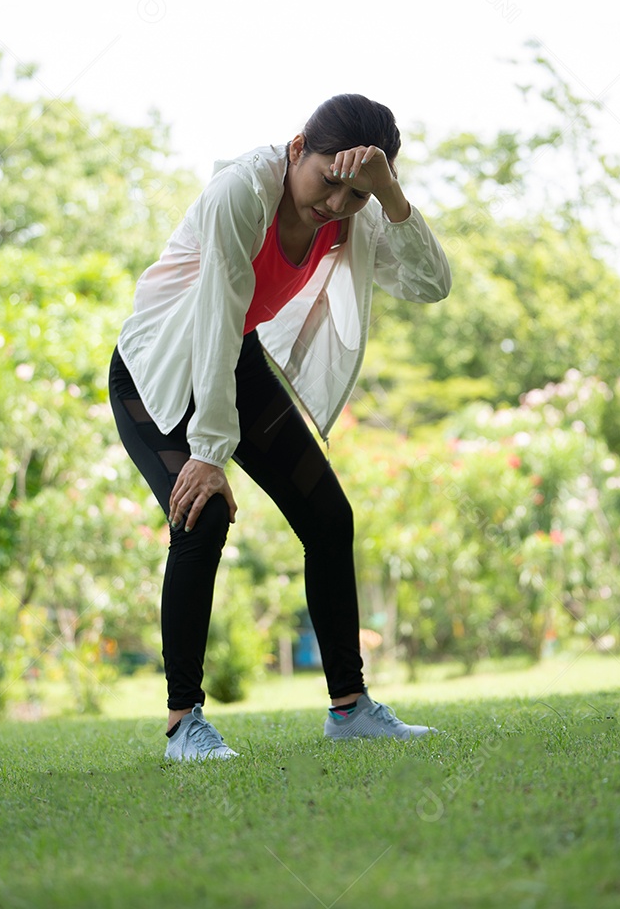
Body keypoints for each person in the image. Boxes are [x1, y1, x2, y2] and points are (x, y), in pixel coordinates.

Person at [108, 93, 452, 761]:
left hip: (229, 358)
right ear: (298, 148)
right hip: (155, 368)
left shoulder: (353, 213)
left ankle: (350, 710)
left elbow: (430, 282)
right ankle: (185, 724)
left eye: (355, 194)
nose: (335, 205)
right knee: (202, 516)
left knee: (328, 516)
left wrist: (389, 194)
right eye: (328, 181)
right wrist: (209, 455)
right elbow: (213, 314)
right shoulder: (242, 192)